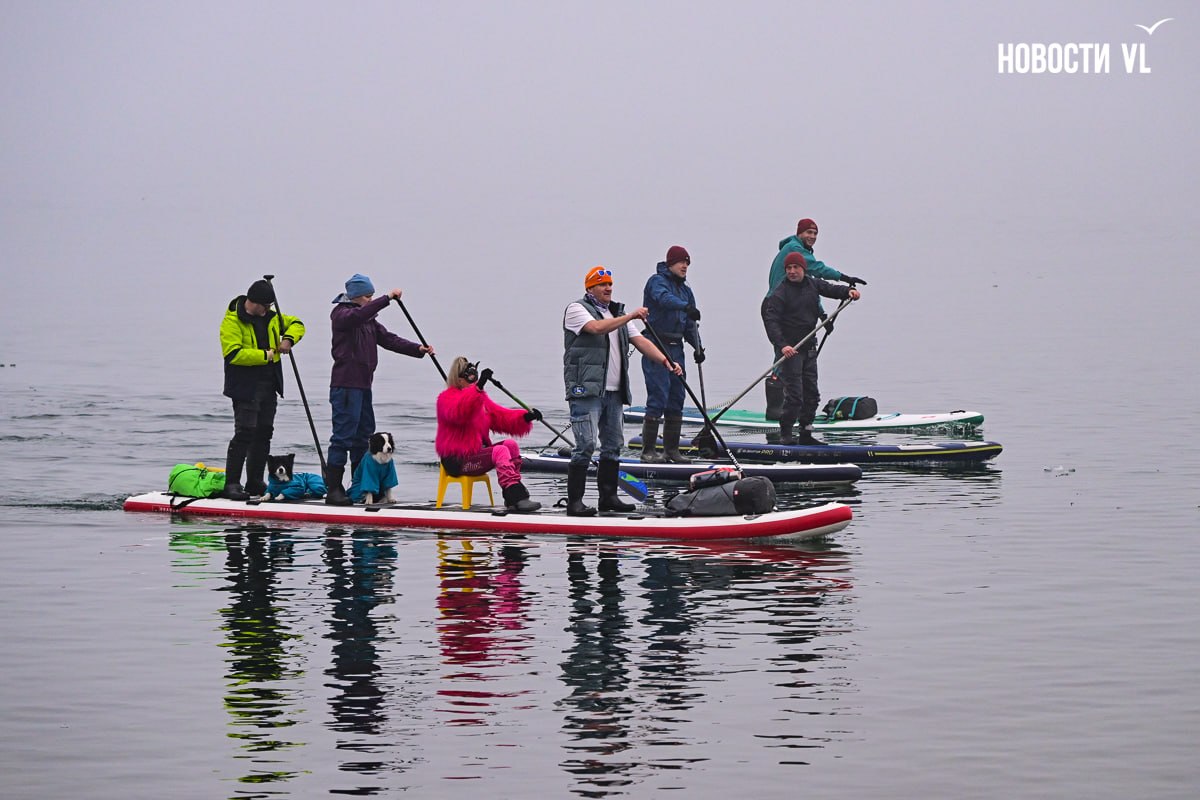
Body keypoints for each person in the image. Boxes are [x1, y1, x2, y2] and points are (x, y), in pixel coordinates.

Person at [563, 265, 681, 516]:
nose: (608, 288)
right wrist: (629, 316)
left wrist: (666, 362)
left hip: (615, 391)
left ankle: (608, 498)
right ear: (590, 288)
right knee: (585, 444)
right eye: (602, 285)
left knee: (613, 445)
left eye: (610, 285)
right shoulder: (577, 309)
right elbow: (596, 329)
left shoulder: (617, 314)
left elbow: (642, 342)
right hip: (587, 390)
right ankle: (575, 503)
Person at [325, 273, 434, 505]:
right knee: (342, 438)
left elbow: (390, 340)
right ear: (355, 296)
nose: (370, 300)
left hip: (364, 386)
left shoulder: (369, 321)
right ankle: (334, 490)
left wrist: (418, 349)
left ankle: (359, 488)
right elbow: (358, 315)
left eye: (373, 296)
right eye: (368, 296)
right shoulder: (342, 315)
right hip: (345, 386)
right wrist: (386, 299)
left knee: (363, 438)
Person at [764, 218, 867, 433]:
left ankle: (803, 423)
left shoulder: (805, 275)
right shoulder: (795, 250)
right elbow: (819, 270)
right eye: (808, 232)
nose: (812, 236)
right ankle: (779, 416)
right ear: (799, 233)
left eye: (815, 233)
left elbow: (813, 289)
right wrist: (844, 277)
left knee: (807, 385)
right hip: (779, 309)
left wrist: (824, 313)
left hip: (800, 319)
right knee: (785, 365)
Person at [219, 279, 306, 500]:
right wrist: (266, 355)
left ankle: (256, 481)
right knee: (244, 433)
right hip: (245, 386)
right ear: (254, 302)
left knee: (264, 432)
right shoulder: (232, 322)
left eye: (270, 306)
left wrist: (288, 339)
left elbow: (297, 323)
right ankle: (232, 484)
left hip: (270, 384)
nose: (269, 310)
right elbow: (233, 354)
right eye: (265, 306)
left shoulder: (272, 317)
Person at [436, 356, 543, 513]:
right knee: (499, 451)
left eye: (476, 380)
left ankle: (512, 497)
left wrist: (526, 416)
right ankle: (516, 496)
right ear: (459, 380)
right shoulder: (446, 399)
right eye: (470, 380)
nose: (473, 383)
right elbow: (460, 413)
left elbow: (502, 417)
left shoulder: (480, 400)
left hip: (475, 455)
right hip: (457, 460)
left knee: (510, 445)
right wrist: (478, 388)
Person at [640, 245, 704, 463]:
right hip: (656, 344)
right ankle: (648, 451)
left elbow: (690, 325)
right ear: (670, 264)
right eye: (681, 262)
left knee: (677, 398)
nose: (685, 266)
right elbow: (664, 300)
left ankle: (671, 451)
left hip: (677, 348)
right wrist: (686, 307)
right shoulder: (656, 282)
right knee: (658, 396)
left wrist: (697, 347)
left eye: (687, 263)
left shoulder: (686, 291)